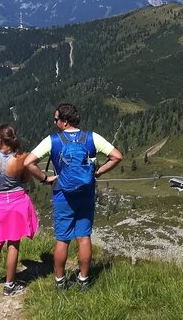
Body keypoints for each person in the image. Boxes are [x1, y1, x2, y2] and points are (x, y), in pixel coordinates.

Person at [24, 103, 123, 291]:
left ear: (64, 121)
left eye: (56, 119)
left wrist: (45, 178)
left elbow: (29, 162)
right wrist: (98, 172)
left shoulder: (53, 140)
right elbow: (117, 156)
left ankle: (60, 281)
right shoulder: (92, 137)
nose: (54, 122)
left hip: (63, 195)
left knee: (62, 239)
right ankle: (84, 280)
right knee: (84, 238)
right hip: (86, 195)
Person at [0, 124, 39, 296]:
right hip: (17, 203)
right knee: (14, 243)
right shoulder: (22, 157)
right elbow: (25, 179)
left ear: (0, 140)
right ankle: (9, 285)